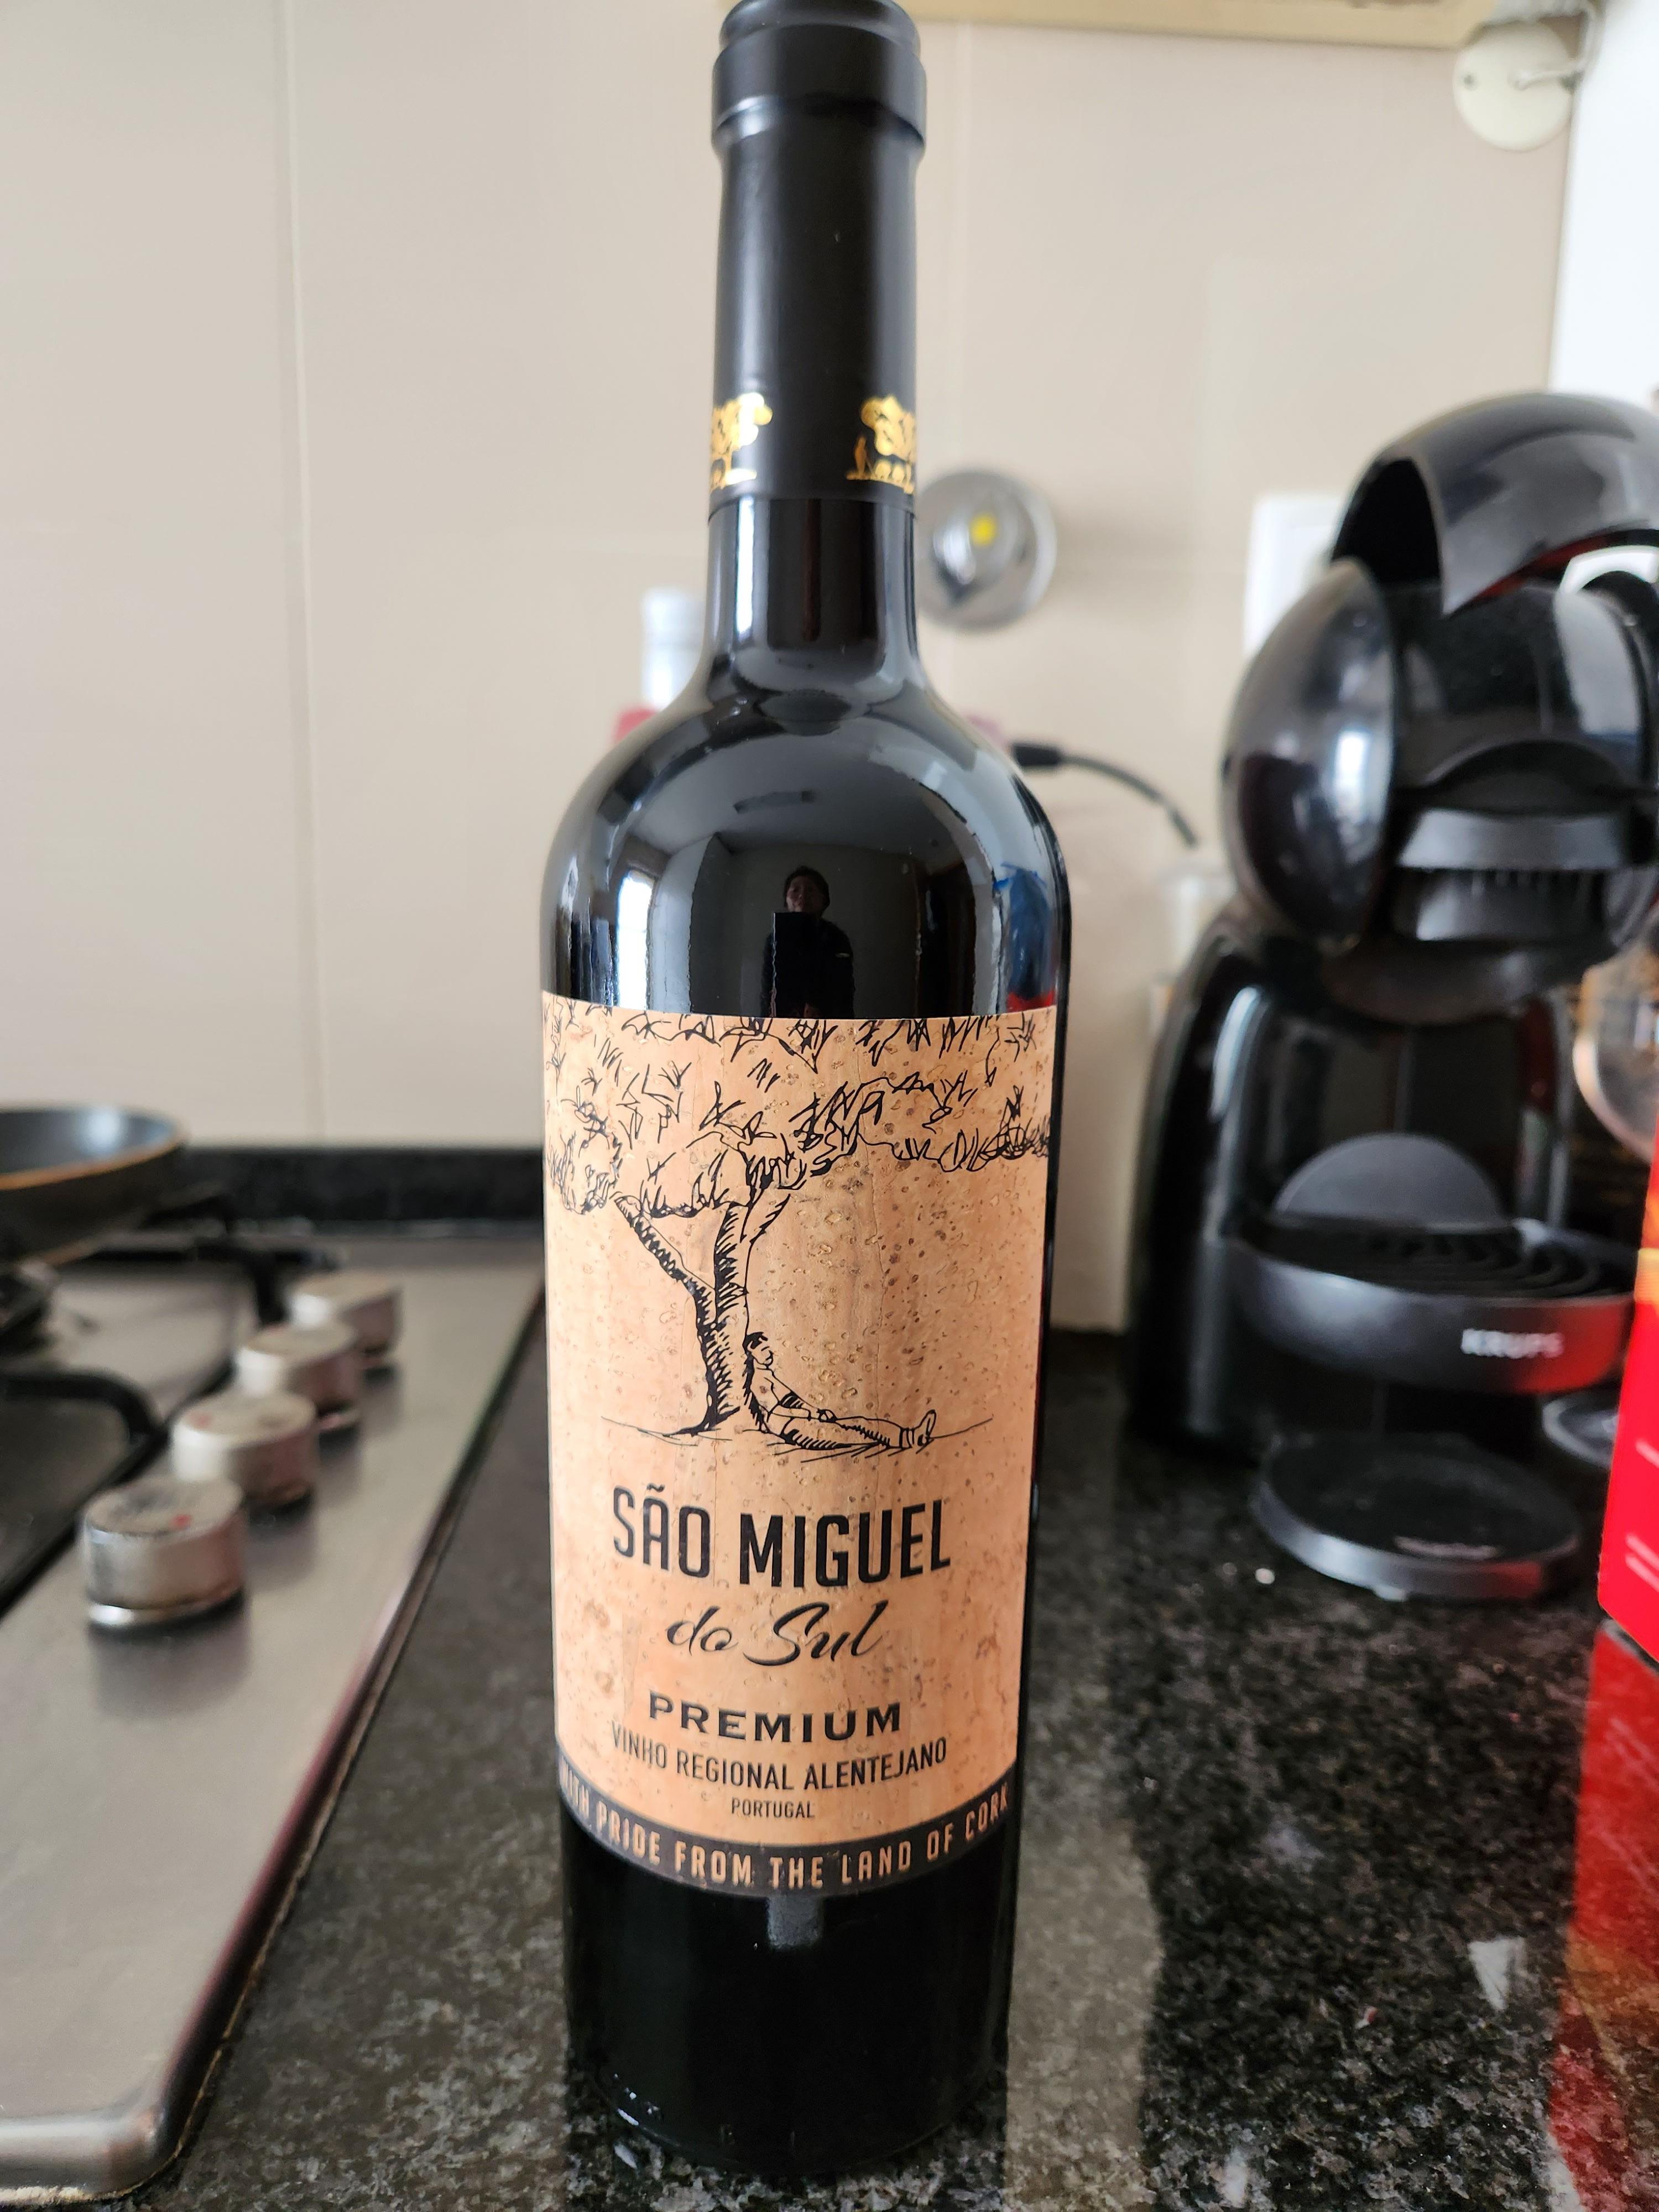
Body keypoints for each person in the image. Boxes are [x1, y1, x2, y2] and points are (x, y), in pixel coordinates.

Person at [744, 1332, 936, 1452]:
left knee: (859, 1422)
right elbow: (777, 1411)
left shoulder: (769, 1375)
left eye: (769, 1349)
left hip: (801, 1420)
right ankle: (906, 1439)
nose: (769, 1354)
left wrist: (818, 1412)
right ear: (752, 1352)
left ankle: (910, 1436)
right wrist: (811, 1414)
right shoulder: (759, 1381)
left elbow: (795, 1401)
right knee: (845, 1434)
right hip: (791, 1428)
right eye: (764, 1350)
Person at [763, 867, 854, 1018]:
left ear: (824, 899)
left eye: (811, 890)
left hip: (829, 1023)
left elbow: (843, 990)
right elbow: (767, 987)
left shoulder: (836, 938)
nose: (802, 896)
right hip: (782, 1022)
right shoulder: (774, 940)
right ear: (786, 900)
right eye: (795, 891)